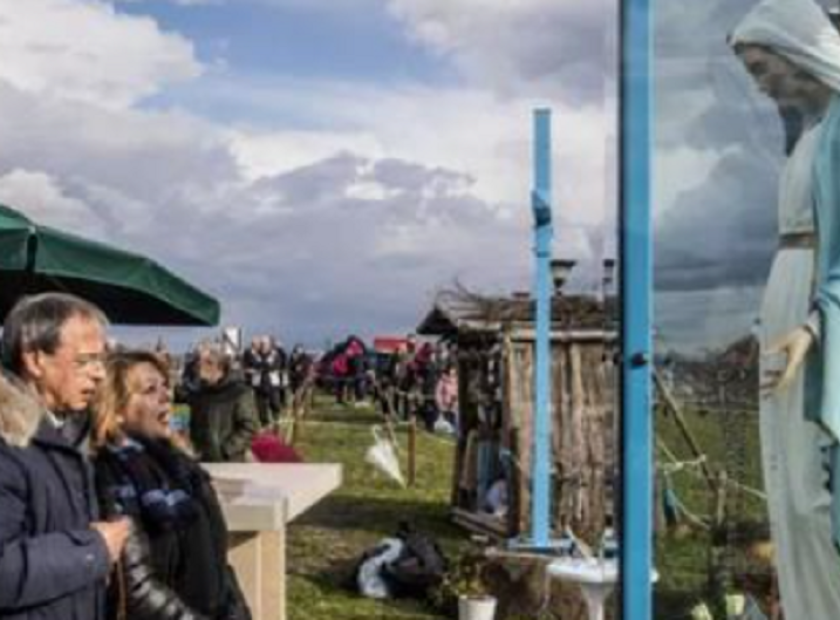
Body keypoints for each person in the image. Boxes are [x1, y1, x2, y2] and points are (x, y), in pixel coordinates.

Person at [731, 0, 840, 615]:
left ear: (795, 51)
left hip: (814, 310)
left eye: (761, 66)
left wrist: (817, 322)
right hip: (789, 302)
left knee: (809, 488)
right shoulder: (811, 134)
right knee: (785, 477)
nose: (760, 82)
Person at [92, 350, 250, 620]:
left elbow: (218, 561)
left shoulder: (183, 466)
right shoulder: (112, 476)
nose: (166, 395)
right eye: (150, 389)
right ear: (115, 410)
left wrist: (238, 612)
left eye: (165, 386)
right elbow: (138, 589)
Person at [0, 292, 129, 620]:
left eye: (100, 360)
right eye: (84, 361)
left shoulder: (64, 434)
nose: (99, 374)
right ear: (35, 360)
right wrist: (92, 550)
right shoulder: (8, 440)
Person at [188, 344, 259, 462]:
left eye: (203, 363)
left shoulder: (239, 392)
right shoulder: (200, 393)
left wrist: (226, 450)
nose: (198, 367)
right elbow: (194, 427)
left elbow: (250, 427)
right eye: (198, 362)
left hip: (231, 463)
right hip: (204, 462)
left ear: (218, 366)